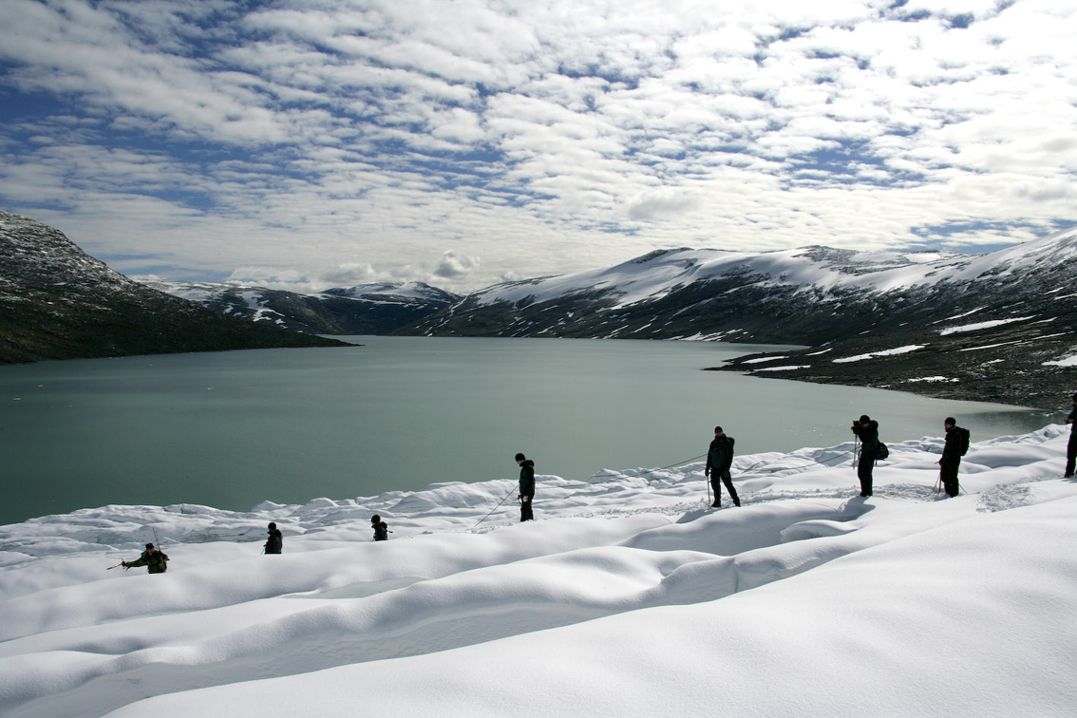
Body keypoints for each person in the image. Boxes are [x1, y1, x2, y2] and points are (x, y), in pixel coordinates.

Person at [704, 425, 740, 508]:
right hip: (714, 468)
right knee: (715, 486)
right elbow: (710, 456)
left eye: (719, 431)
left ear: (722, 432)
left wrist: (726, 468)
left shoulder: (726, 442)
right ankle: (717, 502)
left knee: (728, 485)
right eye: (716, 432)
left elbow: (730, 457)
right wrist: (707, 468)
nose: (718, 433)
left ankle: (736, 501)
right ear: (715, 433)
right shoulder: (713, 443)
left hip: (724, 468)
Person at [851, 414, 879, 497]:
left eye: (864, 424)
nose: (863, 425)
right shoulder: (867, 428)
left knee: (866, 473)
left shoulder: (872, 429)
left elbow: (865, 438)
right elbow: (863, 434)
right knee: (861, 473)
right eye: (862, 424)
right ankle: (865, 491)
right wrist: (858, 428)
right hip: (865, 452)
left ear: (868, 423)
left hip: (870, 453)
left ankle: (867, 492)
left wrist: (858, 430)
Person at [939, 417, 964, 498]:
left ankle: (952, 495)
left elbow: (951, 449)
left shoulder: (954, 434)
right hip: (952, 458)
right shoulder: (952, 432)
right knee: (948, 476)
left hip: (952, 459)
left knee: (950, 477)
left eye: (946, 424)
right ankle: (950, 494)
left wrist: (945, 459)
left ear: (950, 424)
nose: (944, 426)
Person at [516, 452, 535, 522]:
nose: (517, 462)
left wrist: (526, 493)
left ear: (520, 460)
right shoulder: (525, 468)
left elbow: (530, 481)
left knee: (526, 507)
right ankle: (525, 522)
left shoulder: (528, 468)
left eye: (517, 460)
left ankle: (527, 522)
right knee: (525, 507)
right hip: (525, 493)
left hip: (527, 493)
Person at [1066, 393, 1077, 478]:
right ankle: (1069, 474)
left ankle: (1070, 474)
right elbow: (1070, 417)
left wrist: (1072, 420)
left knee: (1071, 456)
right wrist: (1069, 419)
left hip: (1075, 435)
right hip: (1074, 435)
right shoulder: (1075, 408)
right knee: (1071, 456)